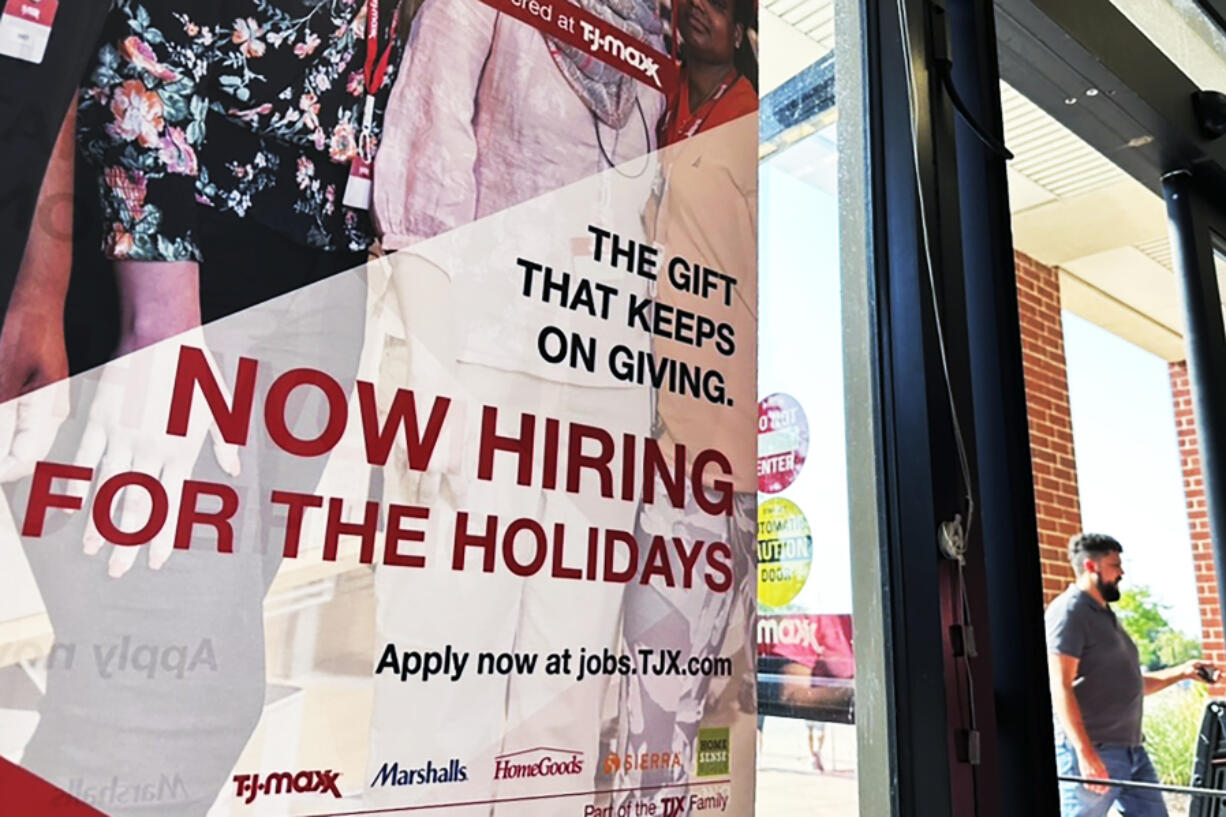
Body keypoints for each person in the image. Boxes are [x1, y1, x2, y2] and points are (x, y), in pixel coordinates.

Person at [1047, 532, 1217, 817]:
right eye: (1115, 565)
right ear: (1091, 566)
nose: (1121, 572)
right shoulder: (1070, 612)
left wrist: (1183, 671)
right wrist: (1085, 753)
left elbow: (1131, 685)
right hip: (1097, 749)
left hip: (1132, 750)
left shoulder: (1105, 616)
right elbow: (1060, 685)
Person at [657, 0, 757, 148]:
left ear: (737, 34)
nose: (696, 3)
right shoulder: (659, 78)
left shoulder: (747, 118)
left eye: (716, 4)